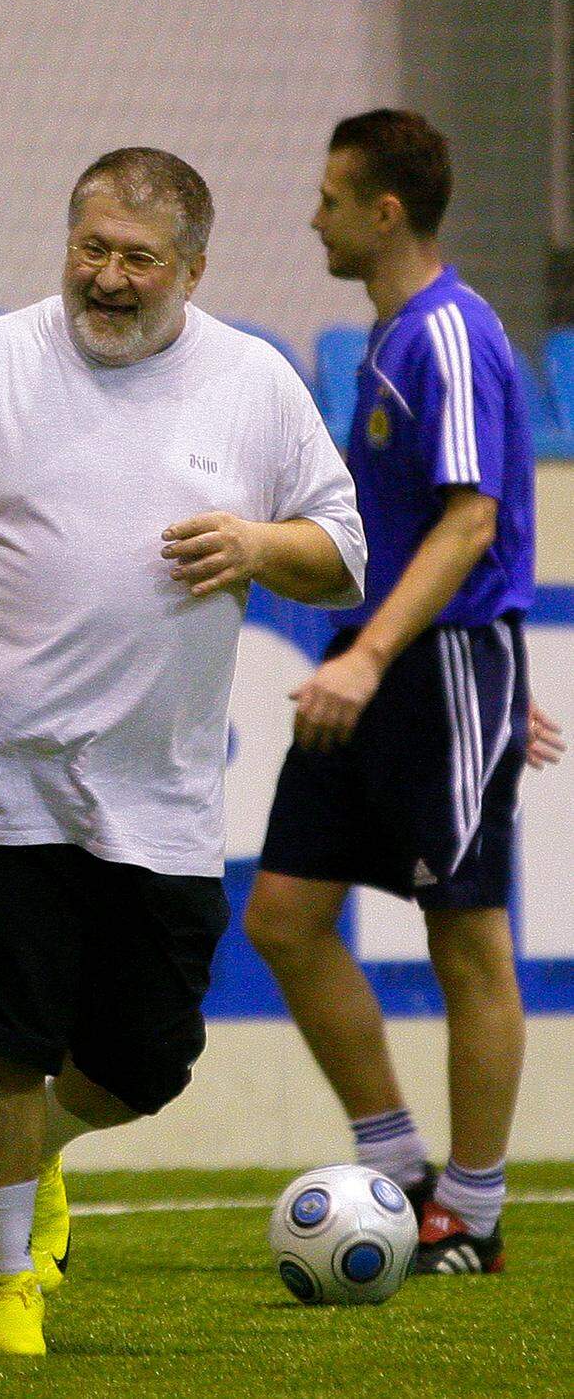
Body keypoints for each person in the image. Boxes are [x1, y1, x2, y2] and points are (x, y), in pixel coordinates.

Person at [0, 146, 367, 1355]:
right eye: (91, 247)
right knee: (6, 1032)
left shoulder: (252, 383)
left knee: (146, 1058)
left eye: (139, 259)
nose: (109, 277)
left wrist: (258, 542)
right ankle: (3, 1293)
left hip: (164, 792)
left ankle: (35, 1153)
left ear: (193, 269)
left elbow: (341, 550)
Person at [244, 109, 563, 1277]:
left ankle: (471, 1217)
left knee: (466, 937)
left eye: (329, 197)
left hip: (420, 663)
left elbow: (475, 519)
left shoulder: (452, 336)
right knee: (282, 916)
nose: (312, 215)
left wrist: (407, 661)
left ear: (384, 212)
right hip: (398, 664)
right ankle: (402, 1166)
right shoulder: (391, 339)